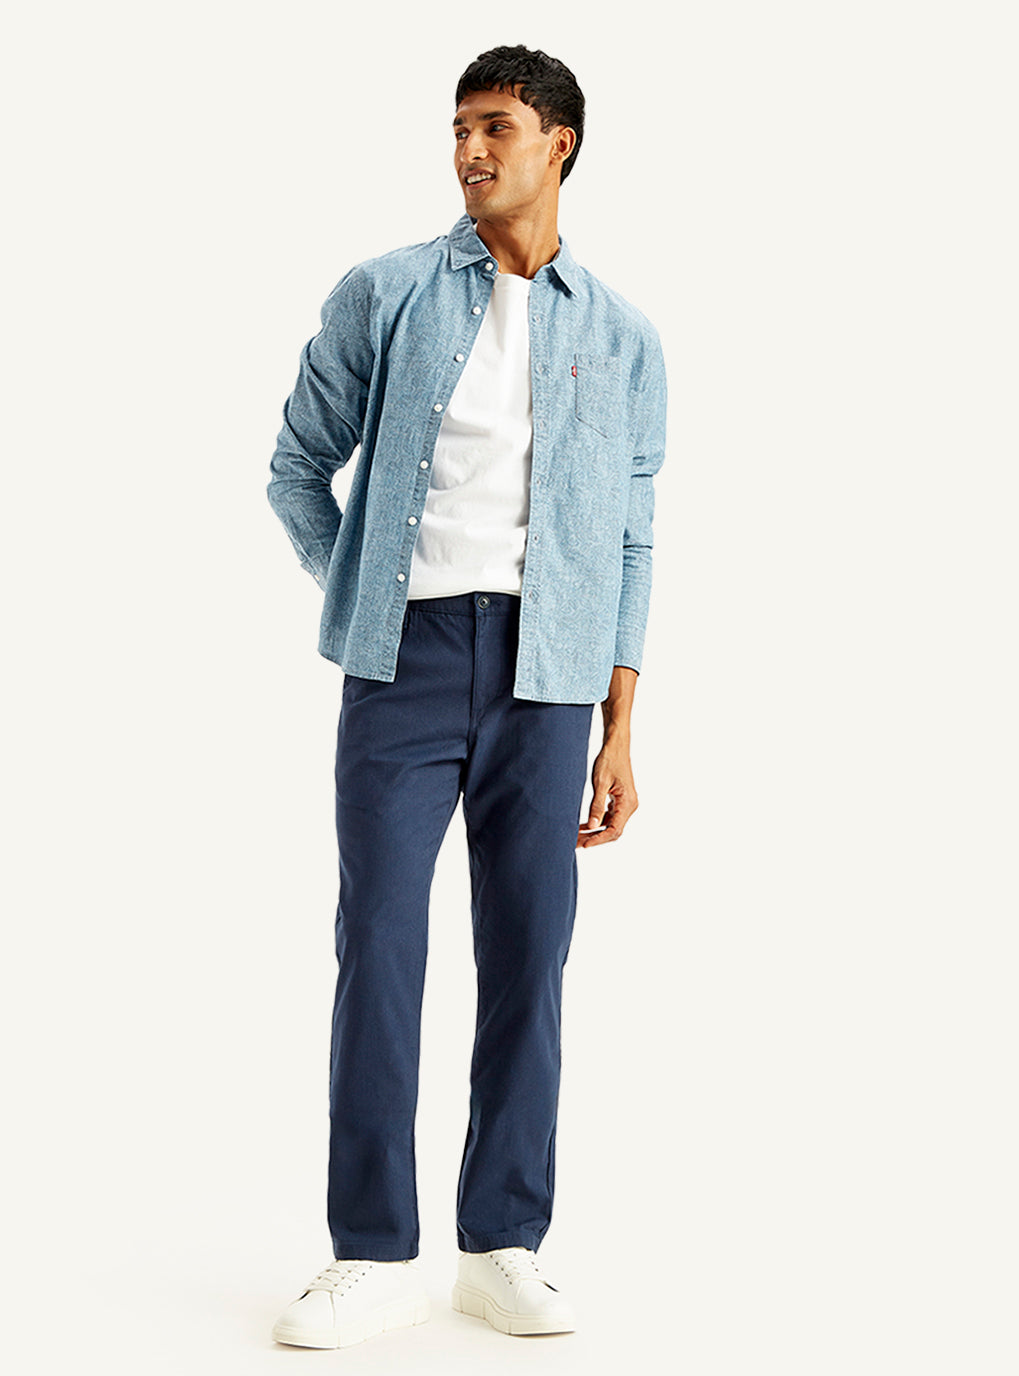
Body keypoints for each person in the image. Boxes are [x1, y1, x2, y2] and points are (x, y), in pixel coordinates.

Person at [266, 43, 667, 1349]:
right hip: (407, 664)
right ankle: (370, 1250)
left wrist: (619, 724)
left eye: (495, 127)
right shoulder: (383, 293)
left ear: (559, 144)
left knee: (529, 959)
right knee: (379, 945)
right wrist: (358, 603)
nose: (469, 151)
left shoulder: (621, 336)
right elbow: (296, 468)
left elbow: (629, 539)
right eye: (458, 129)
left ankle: (503, 1244)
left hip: (551, 679)